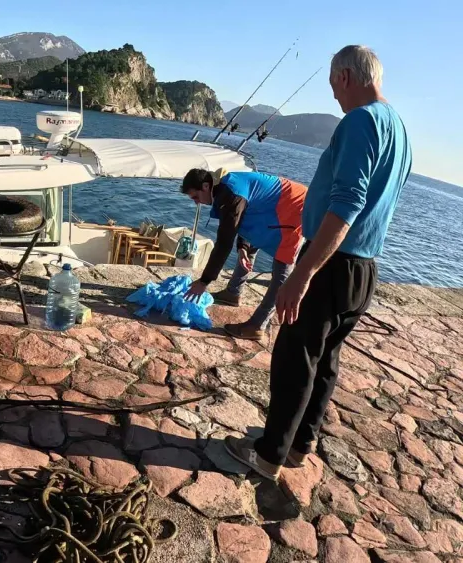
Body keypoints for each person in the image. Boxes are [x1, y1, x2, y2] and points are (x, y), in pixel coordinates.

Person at [225, 45, 412, 479]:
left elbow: (348, 202)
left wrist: (303, 272)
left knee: (294, 357)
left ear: (345, 77)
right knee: (324, 360)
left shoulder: (360, 121)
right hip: (364, 269)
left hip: (331, 263)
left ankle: (268, 455)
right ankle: (299, 445)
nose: (334, 97)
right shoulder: (399, 128)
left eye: (332, 86)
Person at [181, 168, 307, 340]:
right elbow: (245, 218)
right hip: (273, 207)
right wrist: (243, 248)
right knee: (248, 248)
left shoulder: (231, 195)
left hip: (296, 208)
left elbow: (224, 241)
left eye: (195, 197)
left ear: (205, 186)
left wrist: (205, 281)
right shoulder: (228, 189)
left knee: (281, 270)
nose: (196, 203)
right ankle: (233, 293)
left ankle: (257, 325)